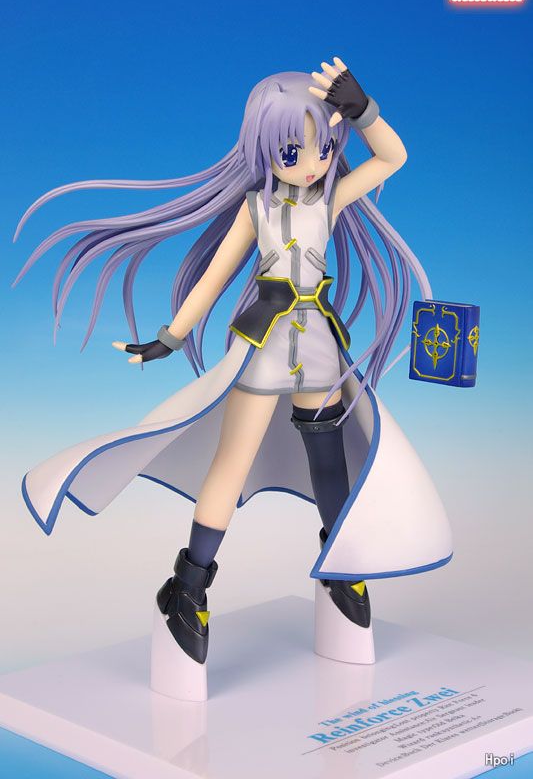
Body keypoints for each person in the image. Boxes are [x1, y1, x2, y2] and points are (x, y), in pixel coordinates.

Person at [15, 57, 452, 700]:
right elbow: (215, 277)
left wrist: (364, 113)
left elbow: (392, 157)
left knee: (330, 459)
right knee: (232, 460)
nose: (312, 163)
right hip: (266, 346)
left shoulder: (330, 198)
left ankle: (340, 566)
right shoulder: (256, 209)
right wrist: (169, 337)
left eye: (323, 148)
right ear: (265, 149)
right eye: (293, 151)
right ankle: (187, 587)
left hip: (318, 347)